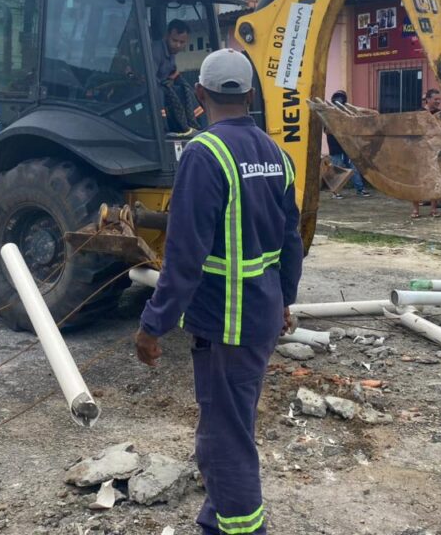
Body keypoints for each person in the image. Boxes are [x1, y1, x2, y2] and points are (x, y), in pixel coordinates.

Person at [135, 48, 303, 535]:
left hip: (227, 323)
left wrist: (153, 323)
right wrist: (285, 300)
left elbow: (184, 254)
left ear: (200, 94)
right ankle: (218, 519)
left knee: (225, 437)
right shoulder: (277, 155)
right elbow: (291, 241)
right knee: (227, 425)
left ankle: (243, 528)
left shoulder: (203, 154)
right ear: (250, 96)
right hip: (261, 315)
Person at [324, 90, 369, 198]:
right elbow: (327, 131)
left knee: (353, 168)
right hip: (335, 146)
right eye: (337, 98)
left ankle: (360, 189)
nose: (339, 100)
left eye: (341, 98)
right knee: (337, 168)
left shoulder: (347, 112)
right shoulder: (329, 113)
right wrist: (338, 127)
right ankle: (335, 192)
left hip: (348, 145)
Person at [413, 89, 441, 218]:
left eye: (439, 99)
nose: (438, 102)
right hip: (419, 150)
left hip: (435, 150)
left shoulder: (440, 114)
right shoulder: (418, 113)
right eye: (435, 99)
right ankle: (415, 210)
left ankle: (434, 209)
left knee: (434, 179)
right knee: (417, 180)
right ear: (427, 99)